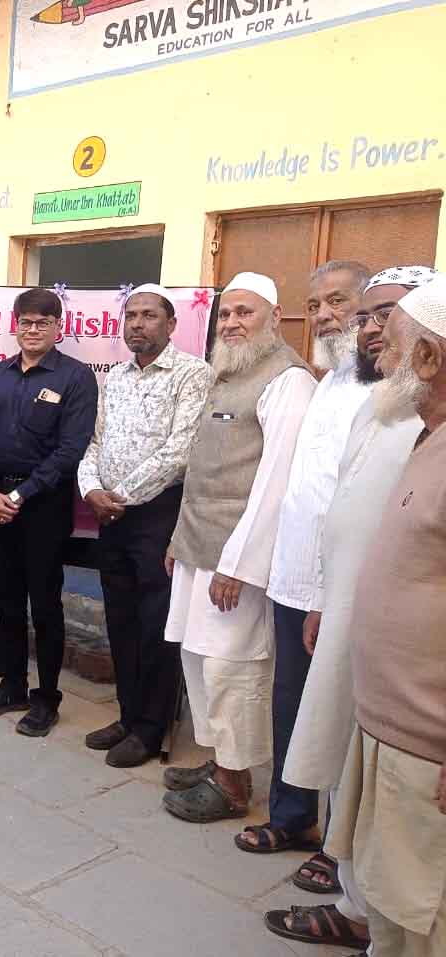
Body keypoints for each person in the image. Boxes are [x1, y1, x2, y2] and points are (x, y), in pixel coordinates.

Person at [263, 266, 436, 953]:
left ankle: (363, 909)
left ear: (429, 348)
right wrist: (324, 598)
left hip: (416, 684)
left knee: (402, 840)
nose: (370, 331)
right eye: (365, 317)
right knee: (351, 770)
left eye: (385, 318)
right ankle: (354, 902)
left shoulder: (422, 415)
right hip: (350, 622)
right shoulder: (383, 404)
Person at [229, 261, 373, 856]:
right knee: (290, 704)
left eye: (338, 302)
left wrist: (325, 595)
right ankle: (292, 817)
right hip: (292, 578)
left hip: (338, 589)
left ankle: (338, 846)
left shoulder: (385, 392)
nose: (324, 315)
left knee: (338, 716)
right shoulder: (328, 380)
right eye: (315, 305)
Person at [160, 272, 316, 823]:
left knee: (232, 668)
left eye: (244, 313)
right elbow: (204, 468)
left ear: (274, 318)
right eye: (225, 313)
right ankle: (220, 762)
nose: (231, 323)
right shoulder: (225, 375)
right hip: (199, 548)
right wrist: (179, 541)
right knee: (198, 658)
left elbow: (277, 483)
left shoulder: (288, 380)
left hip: (236, 561)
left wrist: (240, 565)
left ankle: (234, 784)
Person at [325, 275, 446, 957]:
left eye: (395, 344)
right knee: (391, 912)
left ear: (428, 358)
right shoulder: (429, 436)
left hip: (427, 750)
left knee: (421, 922)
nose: (380, 353)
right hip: (391, 732)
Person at [77, 285, 210, 767]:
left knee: (156, 623)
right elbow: (95, 442)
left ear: (171, 325)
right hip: (110, 516)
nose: (137, 323)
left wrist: (120, 497)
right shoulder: (115, 377)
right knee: (120, 617)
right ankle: (128, 715)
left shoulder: (193, 374)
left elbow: (180, 451)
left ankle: (152, 729)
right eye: (131, 315)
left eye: (149, 315)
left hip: (157, 515)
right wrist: (92, 490)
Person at [0, 288, 97, 736]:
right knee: (5, 600)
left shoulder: (75, 378)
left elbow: (71, 449)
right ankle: (11, 686)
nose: (33, 330)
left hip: (44, 506)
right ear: (15, 325)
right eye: (26, 322)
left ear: (59, 327)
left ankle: (46, 698)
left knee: (44, 604)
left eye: (43, 322)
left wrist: (20, 495)